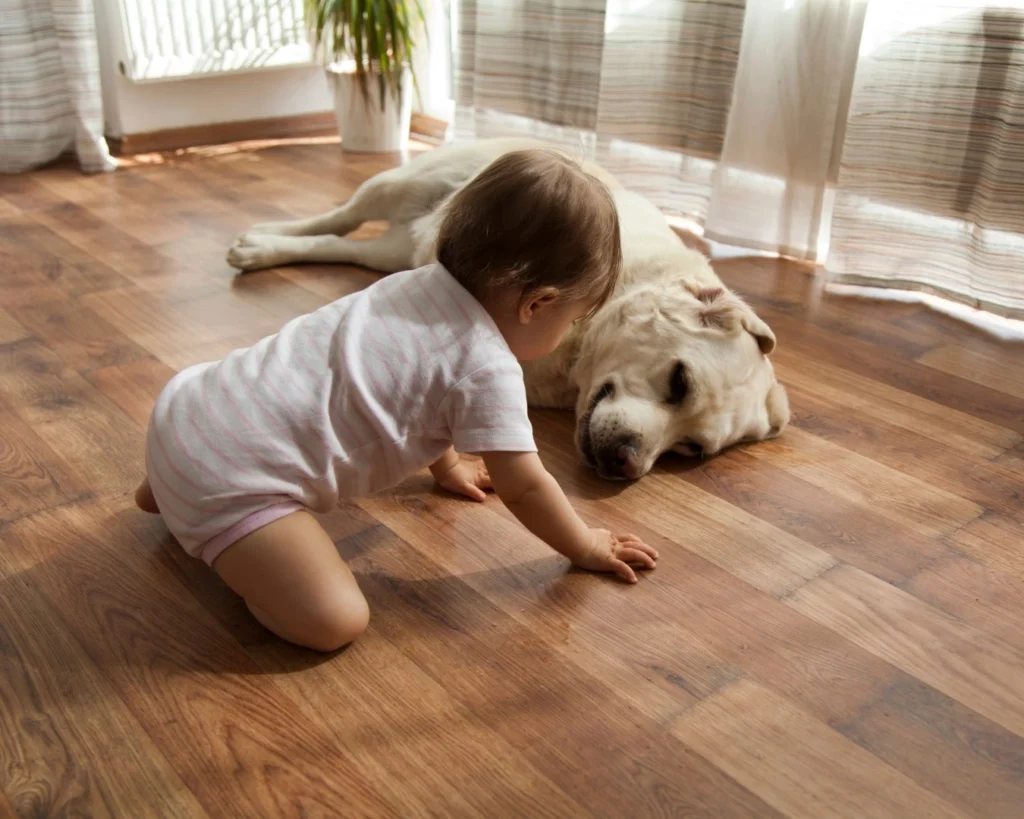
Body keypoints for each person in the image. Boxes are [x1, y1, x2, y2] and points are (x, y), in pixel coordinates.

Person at [135, 148, 658, 652]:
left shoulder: (412, 286)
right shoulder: (487, 366)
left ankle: (171, 485)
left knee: (227, 439)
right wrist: (585, 544)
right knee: (336, 620)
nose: (565, 334)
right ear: (537, 304)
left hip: (187, 408)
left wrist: (446, 465)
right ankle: (218, 536)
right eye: (570, 321)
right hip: (233, 481)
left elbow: (413, 395)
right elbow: (524, 486)